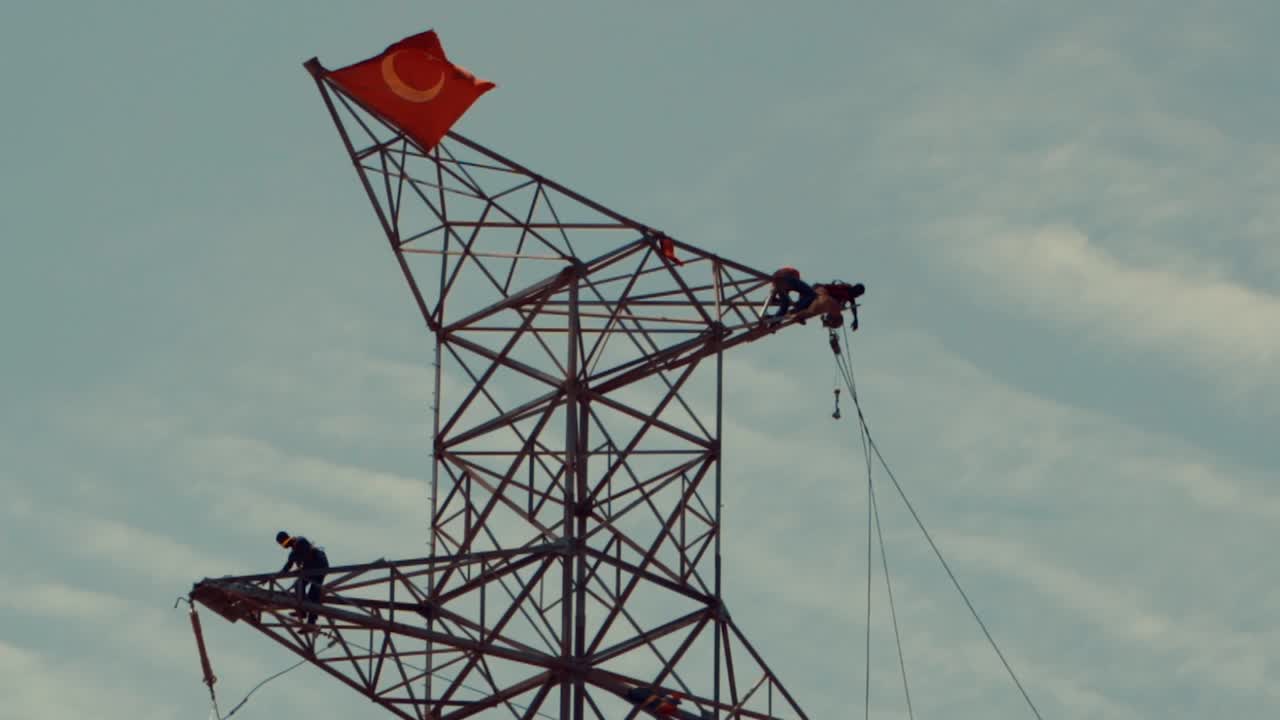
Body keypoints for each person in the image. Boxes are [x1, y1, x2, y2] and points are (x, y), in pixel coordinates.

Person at [276, 530, 329, 625]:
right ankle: (303, 612)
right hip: (312, 568)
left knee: (313, 593)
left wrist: (301, 569)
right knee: (300, 586)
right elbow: (287, 567)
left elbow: (306, 555)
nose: (283, 546)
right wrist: (274, 577)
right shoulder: (293, 552)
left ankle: (310, 619)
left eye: (282, 544)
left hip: (319, 565)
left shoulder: (301, 541)